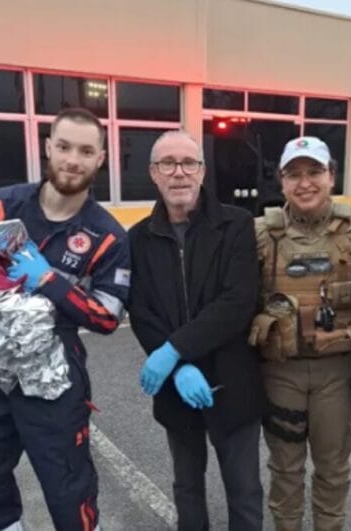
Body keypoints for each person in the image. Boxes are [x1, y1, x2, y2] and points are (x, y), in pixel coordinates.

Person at [0, 107, 130, 531]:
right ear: (48, 147)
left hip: (55, 379)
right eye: (65, 146)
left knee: (68, 487)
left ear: (100, 159)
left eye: (86, 151)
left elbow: (107, 318)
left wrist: (50, 281)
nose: (73, 159)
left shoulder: (107, 235)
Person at [127, 130, 267, 531]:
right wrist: (176, 367)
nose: (179, 173)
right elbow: (141, 310)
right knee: (186, 486)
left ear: (202, 171)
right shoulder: (138, 238)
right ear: (154, 173)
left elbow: (237, 303)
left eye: (189, 163)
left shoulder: (237, 225)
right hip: (177, 388)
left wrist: (173, 351)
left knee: (243, 490)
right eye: (167, 163)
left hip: (232, 381)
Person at [250, 136, 351, 531]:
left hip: (337, 373)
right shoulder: (259, 233)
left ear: (332, 176)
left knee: (333, 467)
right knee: (285, 469)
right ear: (281, 182)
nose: (305, 183)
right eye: (294, 175)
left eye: (314, 172)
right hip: (280, 372)